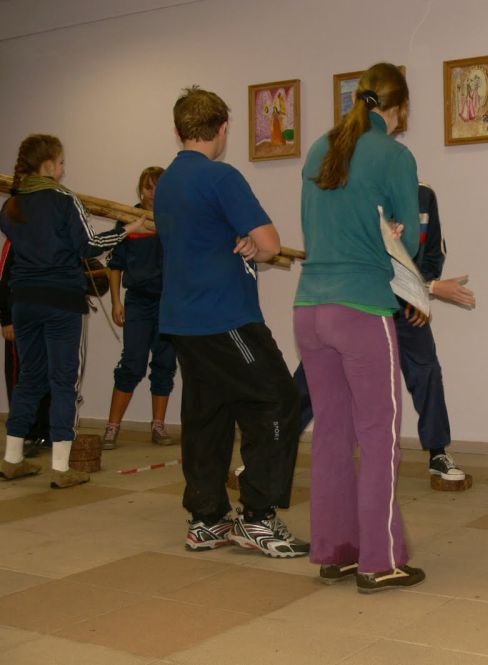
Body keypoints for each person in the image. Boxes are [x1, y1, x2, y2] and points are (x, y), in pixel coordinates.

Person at [156, 86, 306, 558]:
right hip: (224, 317)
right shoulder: (221, 176)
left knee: (209, 414)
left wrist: (243, 242)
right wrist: (255, 245)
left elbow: (205, 238)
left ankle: (207, 519)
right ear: (223, 129)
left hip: (182, 319)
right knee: (279, 401)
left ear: (178, 131)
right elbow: (271, 244)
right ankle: (258, 517)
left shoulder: (166, 182)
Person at [294, 62, 425, 592]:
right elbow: (410, 244)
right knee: (378, 436)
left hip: (309, 308)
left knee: (330, 434)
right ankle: (379, 559)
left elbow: (316, 226)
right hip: (361, 310)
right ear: (400, 107)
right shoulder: (395, 154)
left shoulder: (319, 148)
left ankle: (337, 550)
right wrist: (393, 234)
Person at [291, 182, 475, 480]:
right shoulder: (358, 194)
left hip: (405, 308)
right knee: (312, 377)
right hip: (357, 303)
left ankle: (438, 452)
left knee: (427, 372)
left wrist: (418, 296)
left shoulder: (424, 195)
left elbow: (433, 254)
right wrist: (428, 289)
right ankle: (272, 451)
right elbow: (367, 261)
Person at [0, 134, 142, 488]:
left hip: (23, 301)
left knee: (29, 378)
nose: (64, 170)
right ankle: (62, 468)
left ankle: (12, 459)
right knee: (64, 380)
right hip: (61, 302)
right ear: (48, 165)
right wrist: (127, 229)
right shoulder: (65, 199)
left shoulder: (11, 205)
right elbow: (89, 245)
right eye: (61, 163)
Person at [102, 166, 177, 450]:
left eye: (159, 187)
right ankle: (112, 427)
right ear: (140, 189)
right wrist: (116, 302)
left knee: (164, 364)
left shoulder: (173, 220)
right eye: (148, 187)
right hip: (138, 301)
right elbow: (115, 265)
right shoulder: (127, 219)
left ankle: (158, 426)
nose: (153, 193)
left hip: (169, 304)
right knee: (132, 364)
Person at [0, 236, 51, 459]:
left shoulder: (52, 236)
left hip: (48, 319)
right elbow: (3, 281)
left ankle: (44, 431)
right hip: (20, 321)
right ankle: (22, 434)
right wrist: (6, 320)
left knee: (48, 373)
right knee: (20, 377)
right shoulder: (15, 240)